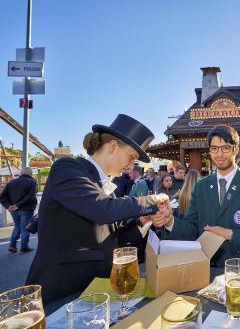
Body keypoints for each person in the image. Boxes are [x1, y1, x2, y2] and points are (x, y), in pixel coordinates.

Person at [26, 114, 172, 304]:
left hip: (96, 291)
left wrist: (141, 222)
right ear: (112, 146)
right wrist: (152, 200)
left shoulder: (108, 189)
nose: (131, 166)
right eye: (131, 157)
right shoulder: (67, 168)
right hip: (62, 289)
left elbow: (116, 238)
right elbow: (103, 210)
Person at [159, 125, 240, 270]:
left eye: (225, 148)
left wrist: (230, 234)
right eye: (214, 148)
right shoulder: (201, 187)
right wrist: (170, 221)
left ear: (236, 149)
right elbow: (191, 229)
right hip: (207, 270)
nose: (219, 154)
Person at [0, 167, 38, 253]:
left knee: (17, 226)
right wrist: (18, 205)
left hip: (13, 209)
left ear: (21, 173)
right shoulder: (33, 182)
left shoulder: (11, 182)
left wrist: (8, 206)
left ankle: (12, 245)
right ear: (30, 173)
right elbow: (31, 196)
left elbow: (2, 196)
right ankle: (24, 247)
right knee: (25, 227)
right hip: (27, 208)